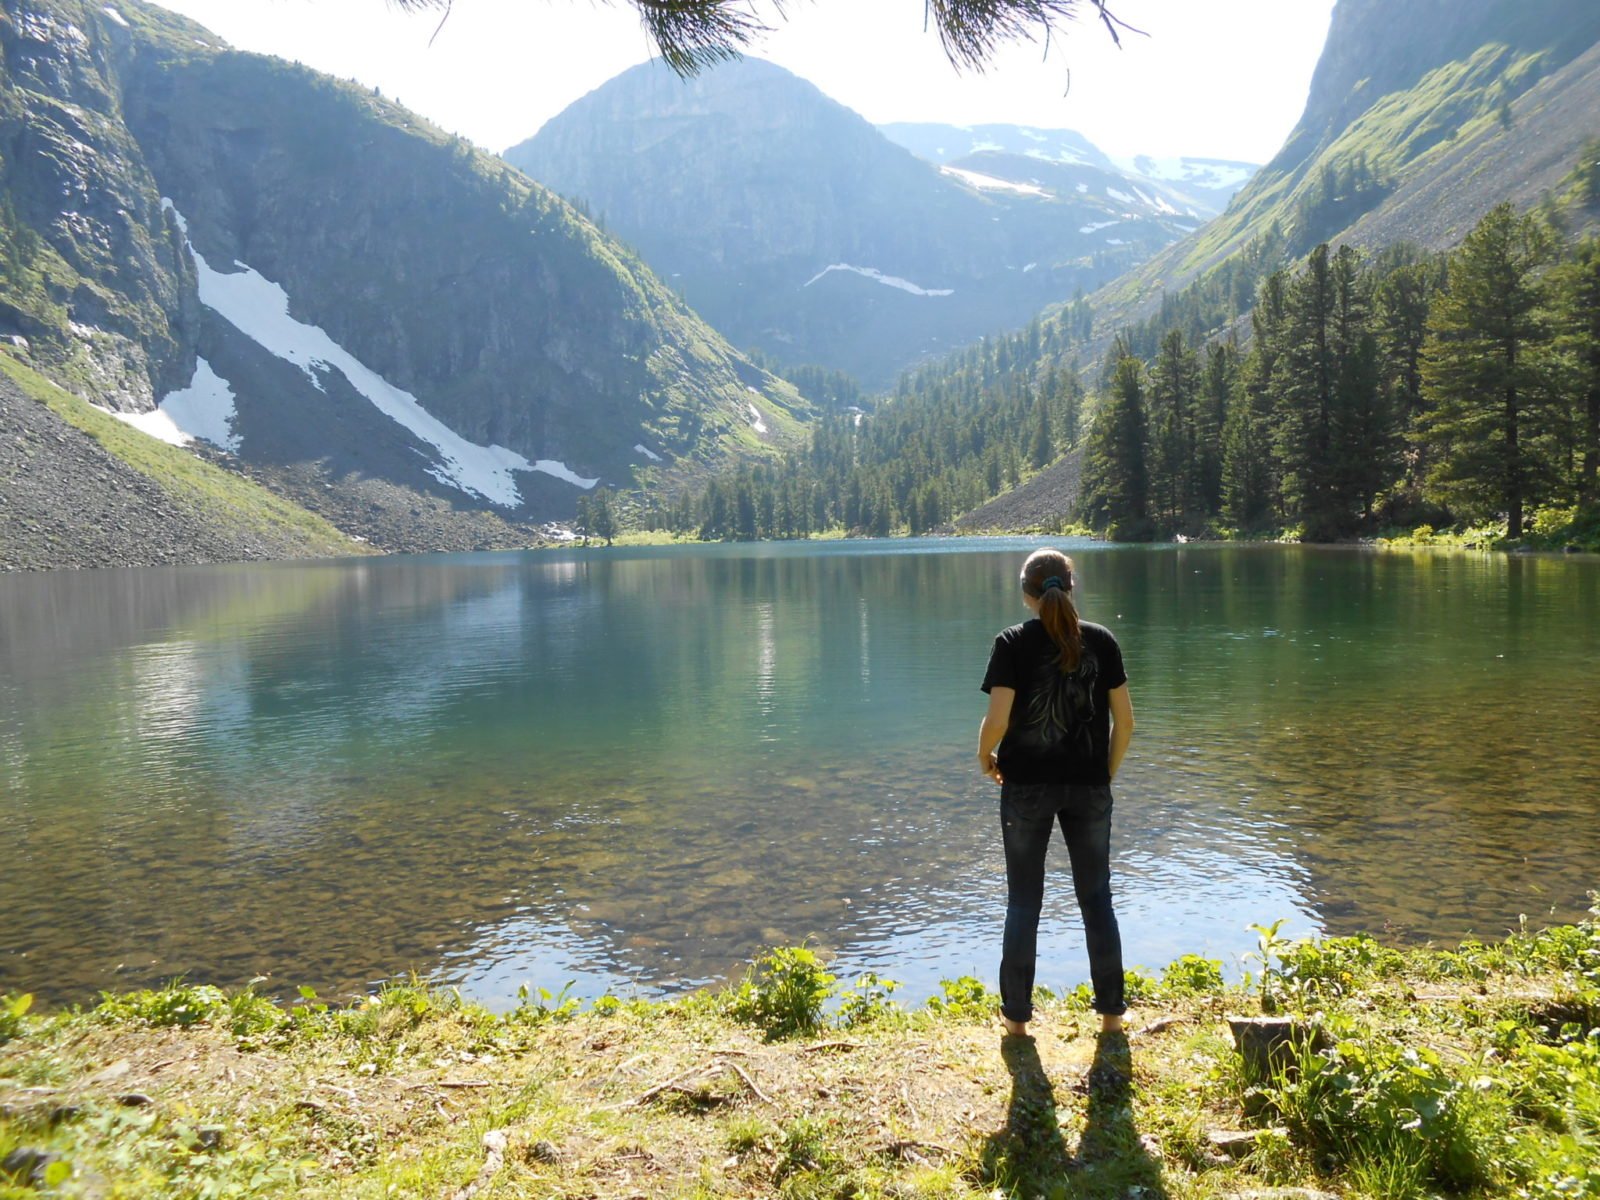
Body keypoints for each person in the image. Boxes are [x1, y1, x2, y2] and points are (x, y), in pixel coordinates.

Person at [977, 548, 1134, 1038]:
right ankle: (1110, 1018)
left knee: (1024, 901)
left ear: (1026, 593)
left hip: (1025, 786)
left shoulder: (1011, 643)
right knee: (1097, 898)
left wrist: (985, 756)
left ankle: (1017, 1023)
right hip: (1089, 787)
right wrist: (1102, 773)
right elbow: (1125, 723)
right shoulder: (1101, 642)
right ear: (1072, 586)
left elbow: (999, 719)